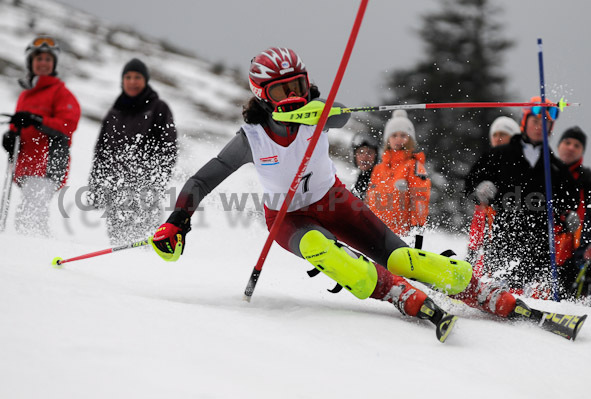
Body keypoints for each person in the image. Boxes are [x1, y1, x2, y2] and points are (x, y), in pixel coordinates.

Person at [148, 47, 568, 342]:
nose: (293, 97)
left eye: (299, 85)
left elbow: (343, 113)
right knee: (337, 259)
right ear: (262, 95)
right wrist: (177, 221)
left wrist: (328, 110)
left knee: (404, 258)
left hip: (334, 201)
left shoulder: (317, 117)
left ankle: (486, 293)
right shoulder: (251, 138)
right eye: (281, 91)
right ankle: (397, 294)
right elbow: (203, 179)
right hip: (287, 219)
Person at [464, 97, 578, 298]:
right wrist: (481, 188)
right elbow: (470, 182)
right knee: (499, 293)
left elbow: (569, 202)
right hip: (503, 243)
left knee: (532, 298)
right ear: (525, 121)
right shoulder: (499, 155)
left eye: (546, 123)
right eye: (536, 121)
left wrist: (569, 217)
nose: (539, 127)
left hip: (539, 250)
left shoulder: (556, 168)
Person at [88, 58, 177, 245]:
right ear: (122, 81)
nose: (132, 81)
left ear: (145, 80)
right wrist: (97, 188)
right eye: (128, 77)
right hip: (116, 193)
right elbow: (101, 154)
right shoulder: (114, 113)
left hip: (145, 192)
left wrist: (156, 181)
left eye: (137, 77)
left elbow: (169, 147)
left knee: (144, 244)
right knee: (118, 244)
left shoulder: (158, 108)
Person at [1, 35, 80, 235]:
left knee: (30, 216)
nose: (43, 63)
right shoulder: (25, 94)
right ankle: (35, 254)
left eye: (48, 59)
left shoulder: (61, 93)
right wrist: (11, 138)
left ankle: (36, 257)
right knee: (28, 213)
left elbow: (67, 124)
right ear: (31, 62)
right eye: (39, 59)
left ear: (54, 64)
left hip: (47, 165)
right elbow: (21, 125)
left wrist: (37, 120)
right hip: (25, 166)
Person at [466, 116, 521, 273]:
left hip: (512, 250)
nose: (498, 139)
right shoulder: (487, 166)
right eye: (495, 135)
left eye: (503, 135)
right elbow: (479, 220)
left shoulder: (520, 167)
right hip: (486, 253)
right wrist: (472, 251)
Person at [366, 110, 431, 236]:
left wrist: (417, 227)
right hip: (375, 230)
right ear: (387, 139)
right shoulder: (378, 168)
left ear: (410, 139)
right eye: (394, 135)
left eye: (403, 135)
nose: (399, 139)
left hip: (401, 234)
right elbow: (370, 200)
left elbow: (420, 197)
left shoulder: (414, 166)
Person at [555, 126, 591, 295]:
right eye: (567, 143)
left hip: (575, 253)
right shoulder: (545, 173)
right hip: (547, 248)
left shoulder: (589, 180)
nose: (571, 148)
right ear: (559, 146)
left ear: (582, 151)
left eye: (577, 145)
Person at [349, 132, 378, 200]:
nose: (365, 157)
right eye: (360, 152)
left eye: (369, 153)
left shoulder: (379, 180)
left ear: (376, 156)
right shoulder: (358, 179)